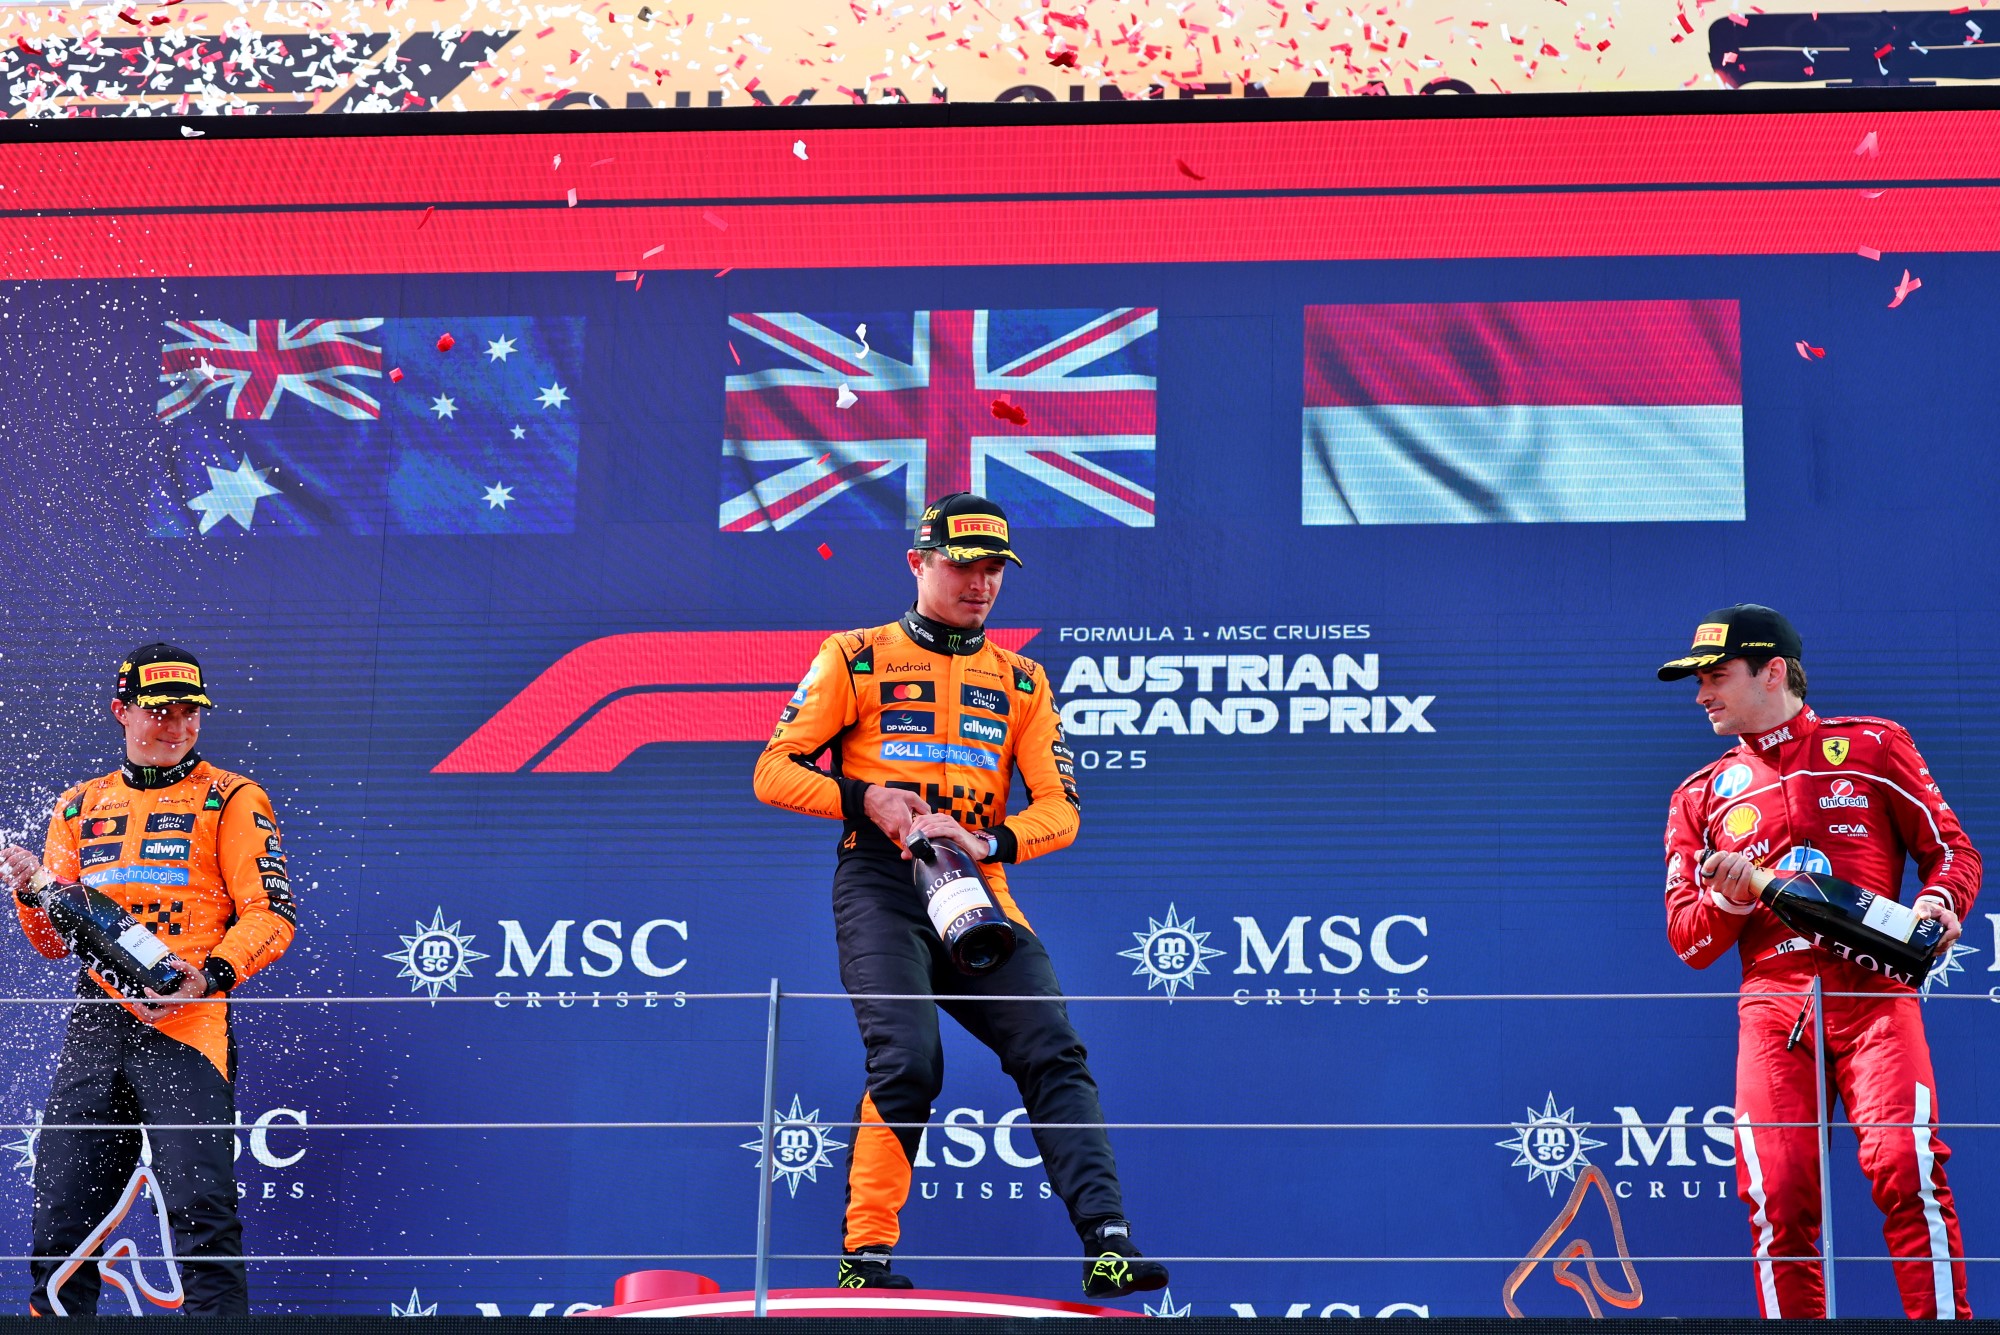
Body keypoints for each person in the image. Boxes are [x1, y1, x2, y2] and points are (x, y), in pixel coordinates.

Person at [752, 493, 1167, 1300]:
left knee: (1053, 1048)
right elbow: (773, 768)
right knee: (908, 1060)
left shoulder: (1022, 680)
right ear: (918, 562)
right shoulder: (856, 655)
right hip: (882, 881)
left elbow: (1062, 809)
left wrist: (991, 841)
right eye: (961, 564)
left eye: (993, 570)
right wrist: (863, 795)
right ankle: (864, 1260)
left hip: (979, 887)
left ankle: (1109, 1245)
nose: (979, 584)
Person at [1658, 605, 1976, 1319]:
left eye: (1715, 676)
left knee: (1908, 1170)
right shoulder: (1698, 796)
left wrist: (1938, 901)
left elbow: (1952, 850)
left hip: (1873, 993)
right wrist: (1735, 902)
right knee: (1780, 1194)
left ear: (1774, 670)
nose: (1701, 694)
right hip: (1774, 1007)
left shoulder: (1873, 745)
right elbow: (1690, 939)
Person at [1, 643, 297, 1316]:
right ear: (121, 711)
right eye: (160, 710)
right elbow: (49, 943)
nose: (177, 725)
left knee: (202, 1213)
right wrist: (28, 892)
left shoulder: (232, 797)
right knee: (61, 1219)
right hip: (97, 1026)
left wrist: (211, 973)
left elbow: (272, 914)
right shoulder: (78, 807)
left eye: (190, 711)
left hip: (190, 1025)